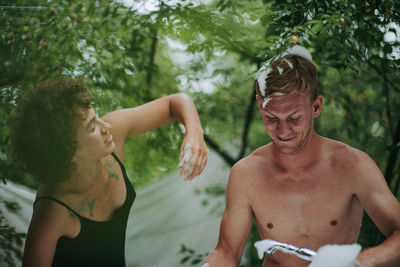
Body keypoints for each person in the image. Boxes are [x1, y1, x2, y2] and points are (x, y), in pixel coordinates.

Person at [202, 46, 400, 267]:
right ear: (260, 106)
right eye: (272, 118)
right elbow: (227, 253)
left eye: (294, 118)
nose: (283, 131)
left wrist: (359, 262)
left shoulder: (352, 165)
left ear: (316, 107)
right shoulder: (246, 173)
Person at [12, 78, 208, 267]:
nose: (105, 126)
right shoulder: (52, 212)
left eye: (96, 117)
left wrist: (194, 133)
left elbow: (176, 101)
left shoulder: (113, 134)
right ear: (66, 151)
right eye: (92, 127)